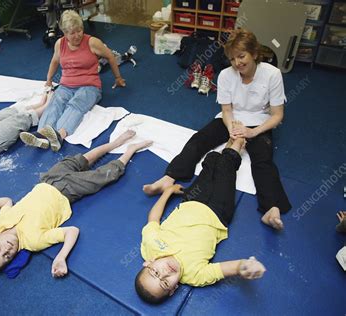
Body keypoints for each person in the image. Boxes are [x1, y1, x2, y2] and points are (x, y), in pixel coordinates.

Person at [143, 28, 291, 230]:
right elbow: (227, 109)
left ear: (254, 54)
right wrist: (232, 129)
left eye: (242, 56)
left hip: (259, 122)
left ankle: (271, 208)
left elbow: (277, 115)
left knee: (263, 161)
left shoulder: (272, 74)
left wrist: (252, 132)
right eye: (232, 59)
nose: (237, 63)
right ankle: (168, 178)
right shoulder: (225, 76)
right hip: (230, 119)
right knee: (199, 139)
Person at [0, 130, 152, 276]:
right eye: (7, 257)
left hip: (48, 180)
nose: (6, 250)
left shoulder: (1, 222)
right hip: (68, 192)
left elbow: (6, 201)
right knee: (104, 175)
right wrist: (61, 256)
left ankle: (114, 143)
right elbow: (71, 231)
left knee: (82, 159)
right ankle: (130, 150)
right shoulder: (33, 242)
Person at [135, 136, 266, 305]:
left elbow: (153, 218)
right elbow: (225, 269)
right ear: (174, 289)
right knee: (226, 166)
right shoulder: (194, 276)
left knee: (211, 162)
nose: (165, 273)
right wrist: (244, 267)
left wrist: (168, 192)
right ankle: (239, 140)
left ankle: (231, 145)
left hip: (192, 200)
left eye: (155, 273)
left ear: (148, 263)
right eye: (165, 282)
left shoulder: (150, 247)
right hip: (219, 211)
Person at [20, 9, 126, 152]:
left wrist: (118, 78)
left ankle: (59, 135)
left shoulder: (92, 42)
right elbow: (55, 61)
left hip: (90, 86)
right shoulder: (60, 44)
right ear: (64, 33)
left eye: (79, 30)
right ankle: (42, 135)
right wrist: (49, 80)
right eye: (72, 33)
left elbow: (110, 56)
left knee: (76, 104)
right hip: (66, 85)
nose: (77, 35)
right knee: (55, 102)